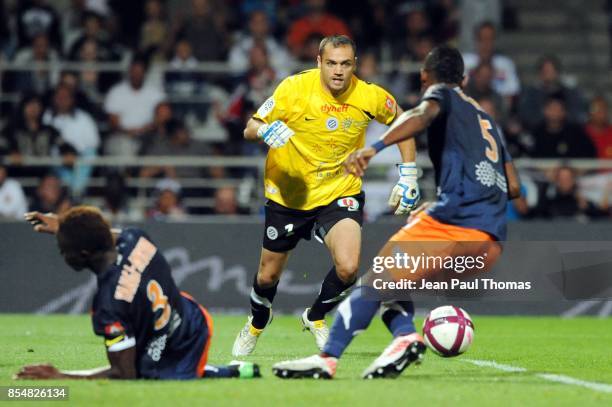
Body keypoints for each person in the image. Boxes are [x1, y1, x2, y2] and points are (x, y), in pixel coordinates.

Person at [272, 45, 521, 379]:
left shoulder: (441, 95)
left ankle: (327, 359)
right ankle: (404, 337)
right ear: (464, 78)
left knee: (372, 283)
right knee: (392, 285)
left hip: (453, 226)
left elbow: (422, 116)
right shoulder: (486, 120)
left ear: (424, 76)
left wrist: (374, 147)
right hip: (491, 243)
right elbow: (514, 186)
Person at [232, 35, 420, 357]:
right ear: (318, 62)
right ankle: (257, 321)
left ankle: (315, 316)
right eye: (331, 63)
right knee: (267, 277)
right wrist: (263, 131)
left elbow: (404, 122)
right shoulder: (293, 89)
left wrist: (409, 173)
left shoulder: (369, 95)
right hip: (288, 198)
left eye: (345, 64)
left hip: (339, 191)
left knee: (348, 268)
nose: (338, 71)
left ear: (354, 65)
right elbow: (250, 125)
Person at [16, 206, 260, 380]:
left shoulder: (107, 304)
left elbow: (124, 374)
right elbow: (102, 234)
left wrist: (61, 376)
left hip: (174, 349)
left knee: (145, 374)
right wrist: (64, 226)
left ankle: (218, 371)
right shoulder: (135, 238)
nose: (62, 254)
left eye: (63, 250)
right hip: (193, 321)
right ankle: (239, 370)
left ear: (82, 255)